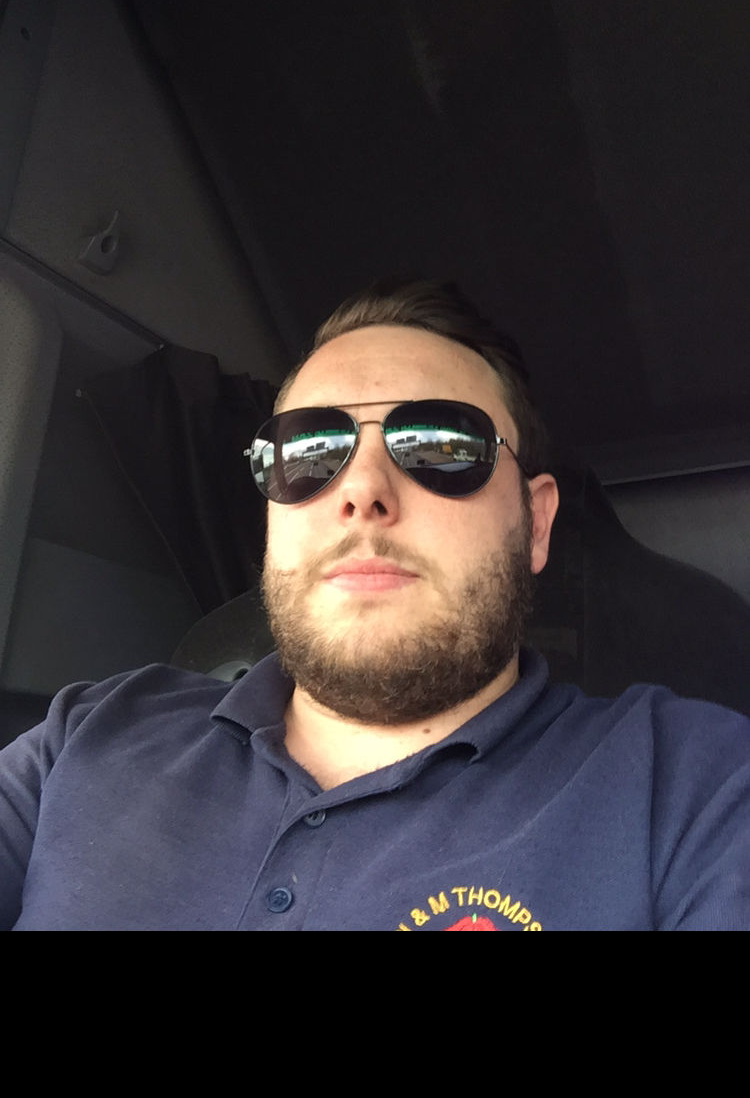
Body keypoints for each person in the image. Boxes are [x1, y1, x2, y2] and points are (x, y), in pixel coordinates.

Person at [1, 278, 749, 931]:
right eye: (309, 451)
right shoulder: (88, 732)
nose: (361, 491)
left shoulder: (695, 791)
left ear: (536, 525)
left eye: (440, 445)